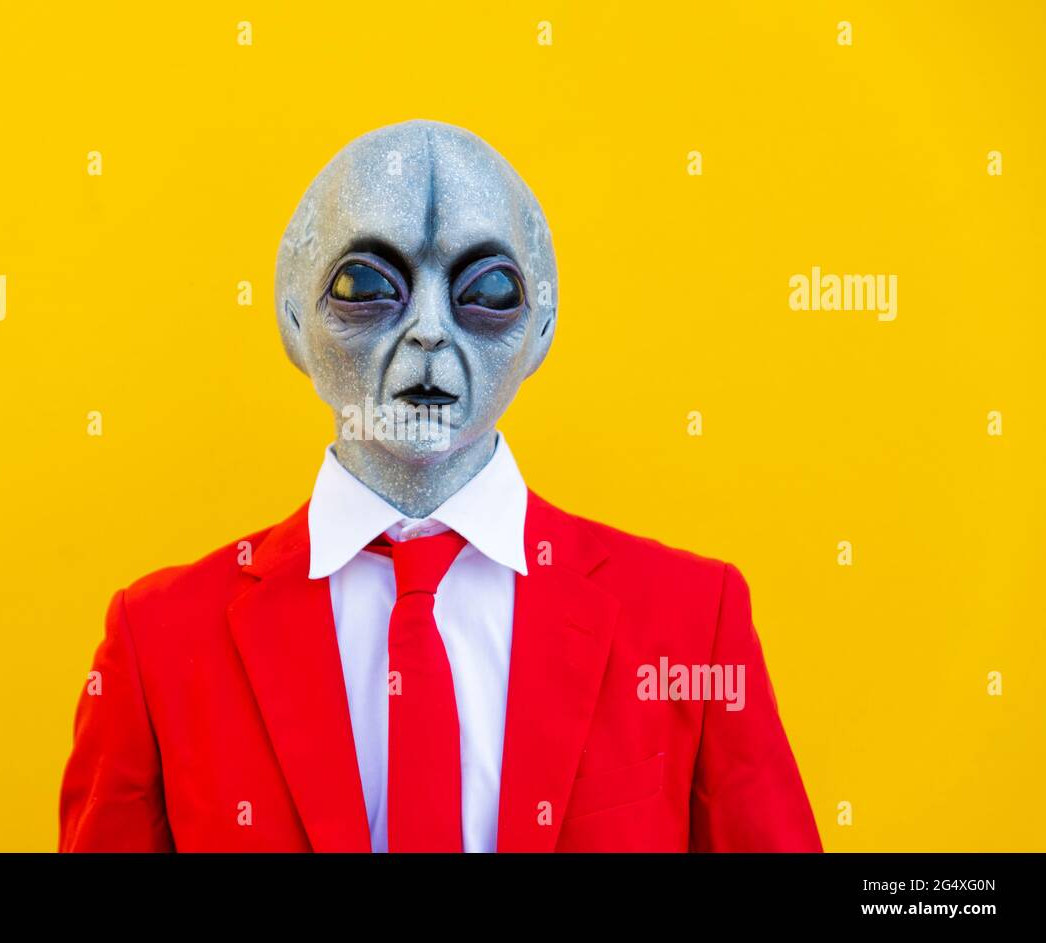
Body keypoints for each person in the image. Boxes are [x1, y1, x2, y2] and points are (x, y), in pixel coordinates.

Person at [58, 120, 821, 853]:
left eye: (486, 292)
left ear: (542, 328)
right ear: (292, 314)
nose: (428, 329)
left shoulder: (690, 623)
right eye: (365, 285)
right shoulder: (159, 645)